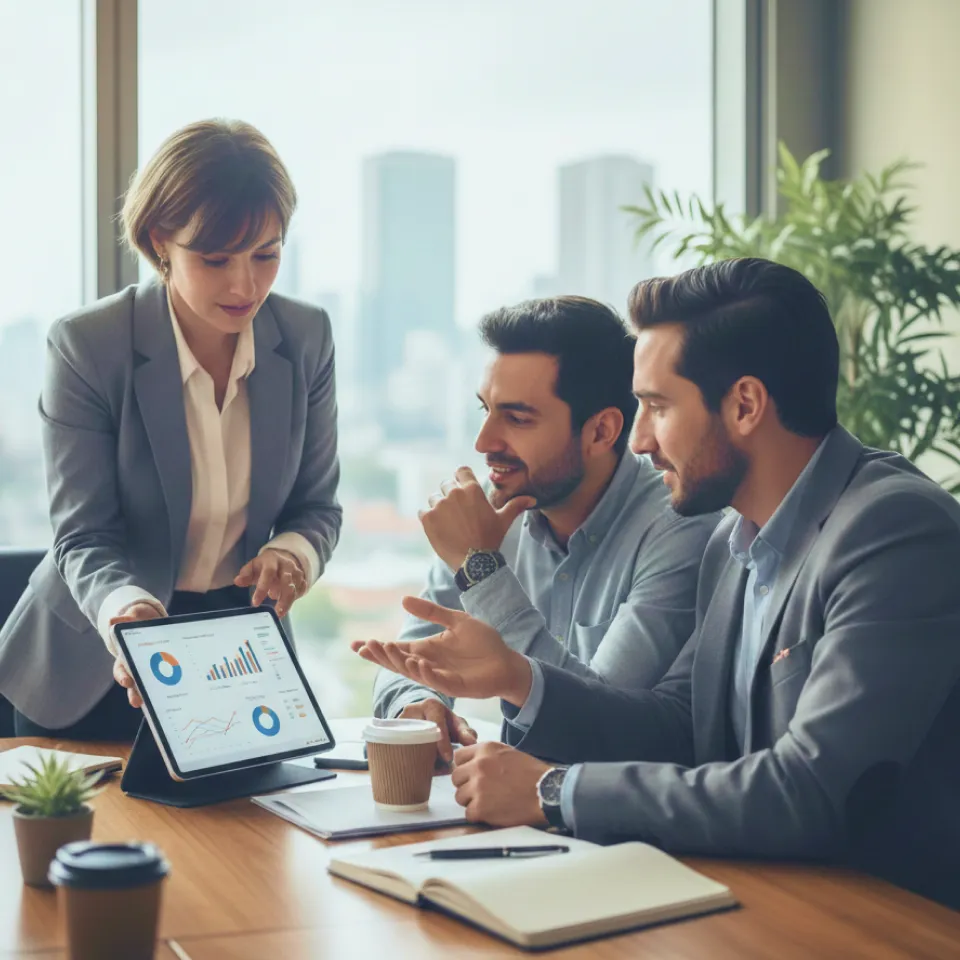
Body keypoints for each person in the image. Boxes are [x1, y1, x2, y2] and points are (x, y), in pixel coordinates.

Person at [353, 258, 960, 908]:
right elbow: (675, 727)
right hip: (757, 895)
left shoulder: (893, 529)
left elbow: (808, 792)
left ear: (746, 405)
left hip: (884, 919)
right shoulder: (738, 536)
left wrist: (552, 791)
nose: (637, 439)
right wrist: (515, 680)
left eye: (656, 406)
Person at [0, 119, 342, 741]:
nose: (246, 285)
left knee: (240, 838)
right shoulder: (90, 344)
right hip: (98, 658)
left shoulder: (306, 337)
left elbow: (317, 506)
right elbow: (82, 534)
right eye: (215, 259)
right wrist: (123, 612)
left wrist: (291, 555)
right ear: (161, 240)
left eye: (266, 254)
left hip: (239, 658)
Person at [373, 296, 720, 762]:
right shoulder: (493, 506)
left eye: (517, 419)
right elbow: (412, 649)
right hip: (503, 807)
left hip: (614, 822)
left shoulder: (680, 526)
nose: (484, 443)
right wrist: (419, 703)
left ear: (601, 431)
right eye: (486, 411)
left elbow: (596, 718)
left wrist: (481, 568)